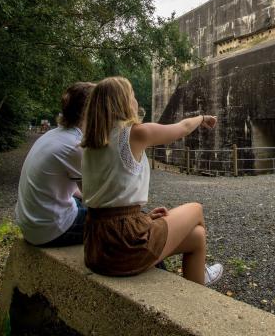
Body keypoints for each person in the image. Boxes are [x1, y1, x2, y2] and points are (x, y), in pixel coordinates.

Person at [81, 76, 223, 285]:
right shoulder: (136, 133)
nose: (135, 100)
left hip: (96, 243)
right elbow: (182, 127)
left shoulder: (90, 143)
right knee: (196, 209)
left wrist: (142, 218)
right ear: (123, 102)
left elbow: (110, 198)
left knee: (197, 236)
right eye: (132, 95)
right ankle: (200, 276)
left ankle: (198, 282)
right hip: (124, 244)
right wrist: (202, 118)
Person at [15, 82, 95, 246]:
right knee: (122, 226)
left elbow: (77, 192)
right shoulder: (74, 145)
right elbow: (94, 197)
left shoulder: (54, 135)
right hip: (51, 229)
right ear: (89, 111)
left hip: (31, 224)